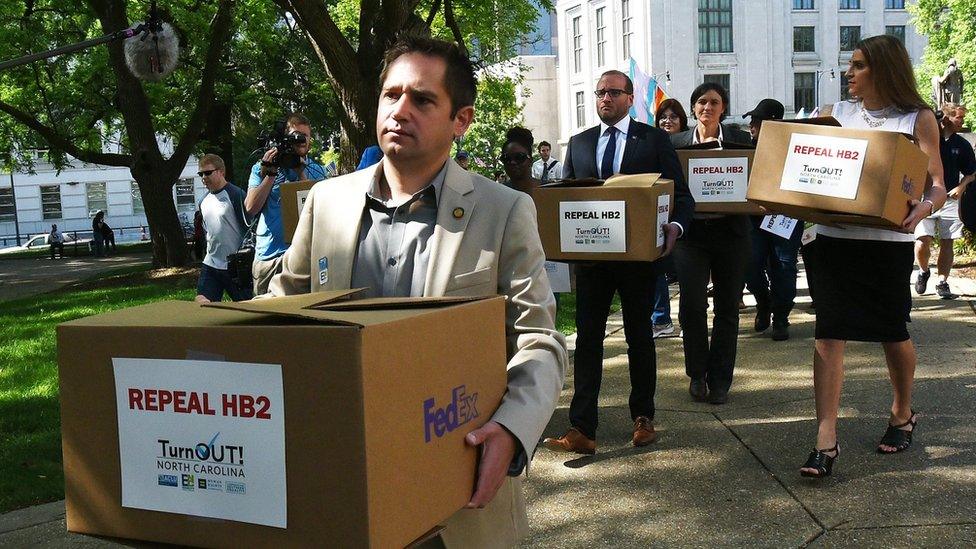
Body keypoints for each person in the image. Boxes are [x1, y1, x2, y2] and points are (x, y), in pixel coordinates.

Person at [268, 36, 567, 547]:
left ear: (462, 119)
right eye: (391, 95)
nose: (399, 110)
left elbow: (538, 339)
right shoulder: (325, 202)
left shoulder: (504, 211)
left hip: (455, 492)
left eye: (423, 100)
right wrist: (226, 328)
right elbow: (284, 306)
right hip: (338, 482)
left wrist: (514, 429)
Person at [799, 35, 947, 478]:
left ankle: (902, 412)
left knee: (891, 331)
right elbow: (803, 167)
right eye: (850, 65)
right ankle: (825, 437)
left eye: (859, 65)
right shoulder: (833, 115)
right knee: (829, 332)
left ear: (883, 69)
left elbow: (936, 182)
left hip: (887, 244)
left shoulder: (917, 118)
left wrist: (926, 206)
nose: (849, 72)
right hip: (831, 239)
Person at [543, 70, 694, 454]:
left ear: (629, 98)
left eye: (613, 92)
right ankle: (582, 429)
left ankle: (643, 418)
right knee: (588, 341)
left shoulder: (654, 140)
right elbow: (566, 200)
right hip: (592, 263)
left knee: (639, 338)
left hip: (638, 263)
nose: (605, 98)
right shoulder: (579, 144)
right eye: (599, 93)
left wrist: (675, 226)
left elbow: (682, 195)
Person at [670, 82, 753, 405]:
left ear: (723, 108)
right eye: (702, 102)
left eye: (714, 102)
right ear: (693, 108)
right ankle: (697, 374)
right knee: (691, 307)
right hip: (691, 236)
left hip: (731, 234)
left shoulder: (739, 139)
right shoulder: (675, 143)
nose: (707, 107)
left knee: (727, 309)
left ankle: (720, 380)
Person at [245, 112, 327, 296]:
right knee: (265, 319)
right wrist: (271, 174)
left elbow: (318, 212)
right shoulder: (261, 168)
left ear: (310, 141)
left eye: (304, 136)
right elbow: (250, 208)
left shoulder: (318, 172)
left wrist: (301, 174)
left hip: (305, 256)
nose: (300, 141)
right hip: (270, 257)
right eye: (295, 136)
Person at [743, 98, 803, 341]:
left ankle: (781, 317)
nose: (752, 126)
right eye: (752, 122)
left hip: (786, 218)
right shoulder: (743, 150)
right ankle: (763, 302)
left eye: (757, 122)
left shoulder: (796, 149)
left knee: (784, 266)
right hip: (753, 220)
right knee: (750, 265)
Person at [914, 102, 975, 299]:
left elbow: (971, 172)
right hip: (925, 198)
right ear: (946, 118)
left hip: (949, 199)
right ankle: (923, 271)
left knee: (947, 242)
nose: (962, 121)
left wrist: (961, 186)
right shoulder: (928, 139)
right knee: (923, 241)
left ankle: (942, 282)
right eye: (959, 117)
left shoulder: (962, 144)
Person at [651, 98, 690, 338]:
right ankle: (661, 320)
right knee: (658, 270)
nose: (667, 121)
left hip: (686, 217)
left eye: (673, 117)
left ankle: (689, 320)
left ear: (682, 120)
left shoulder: (690, 144)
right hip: (661, 217)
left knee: (687, 273)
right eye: (663, 117)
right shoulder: (651, 144)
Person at [195, 154, 253, 303]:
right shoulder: (203, 201)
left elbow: (250, 229)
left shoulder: (236, 195)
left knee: (247, 311)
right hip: (211, 263)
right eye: (201, 174)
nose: (204, 177)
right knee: (202, 303)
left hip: (236, 266)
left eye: (208, 173)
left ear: (221, 172)